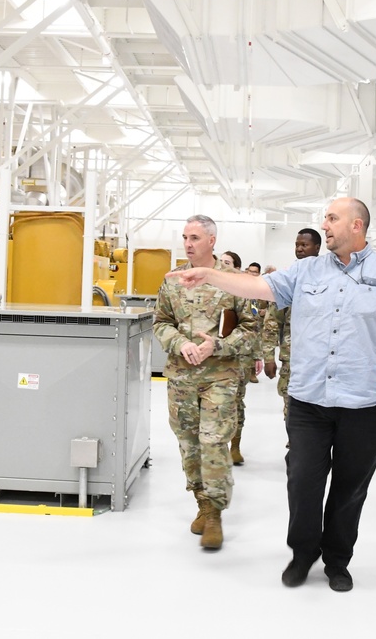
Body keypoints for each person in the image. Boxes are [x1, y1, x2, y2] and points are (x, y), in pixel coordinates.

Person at [167, 198, 376, 592]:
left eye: (333, 218)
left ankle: (338, 560)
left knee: (350, 486)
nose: (325, 224)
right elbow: (258, 287)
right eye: (325, 217)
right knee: (302, 481)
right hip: (309, 400)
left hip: (366, 402)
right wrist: (209, 275)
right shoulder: (306, 270)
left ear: (357, 226)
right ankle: (303, 554)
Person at [152, 216, 256, 550]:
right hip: (181, 376)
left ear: (212, 240)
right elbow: (161, 322)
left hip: (220, 377)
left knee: (213, 443)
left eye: (195, 237)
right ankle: (201, 501)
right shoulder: (172, 281)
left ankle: (214, 513)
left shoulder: (235, 281)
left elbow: (250, 328)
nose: (188, 243)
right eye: (185, 237)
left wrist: (217, 345)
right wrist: (180, 343)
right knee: (189, 446)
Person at [262, 228, 322, 419]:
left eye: (304, 245)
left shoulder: (329, 277)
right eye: (297, 245)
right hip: (292, 356)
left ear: (317, 247)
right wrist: (269, 357)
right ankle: (295, 441)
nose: (299, 249)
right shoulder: (288, 279)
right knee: (291, 401)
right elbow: (272, 322)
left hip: (321, 355)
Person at [220, 250, 262, 463]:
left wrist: (257, 355)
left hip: (239, 356)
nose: (223, 265)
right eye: (221, 261)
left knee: (236, 402)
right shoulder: (211, 286)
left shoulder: (246, 292)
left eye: (228, 262)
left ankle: (234, 446)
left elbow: (253, 325)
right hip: (214, 356)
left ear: (237, 267)